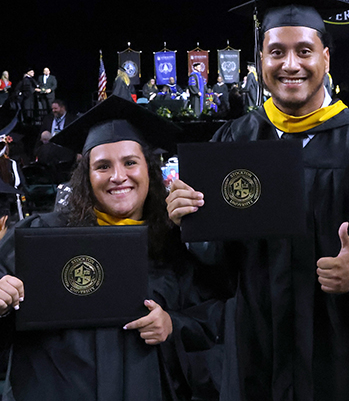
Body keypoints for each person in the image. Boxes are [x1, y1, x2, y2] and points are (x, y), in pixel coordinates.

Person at [166, 0, 349, 400]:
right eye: (276, 52)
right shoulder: (234, 139)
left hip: (334, 341)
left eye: (304, 51)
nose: (291, 65)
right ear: (261, 61)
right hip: (254, 339)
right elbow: (217, 263)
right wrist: (191, 223)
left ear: (325, 57)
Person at [0, 96, 223, 400]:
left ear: (149, 171)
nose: (118, 177)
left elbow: (216, 320)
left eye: (130, 162)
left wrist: (173, 325)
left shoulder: (177, 245)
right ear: (86, 177)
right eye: (103, 166)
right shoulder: (40, 237)